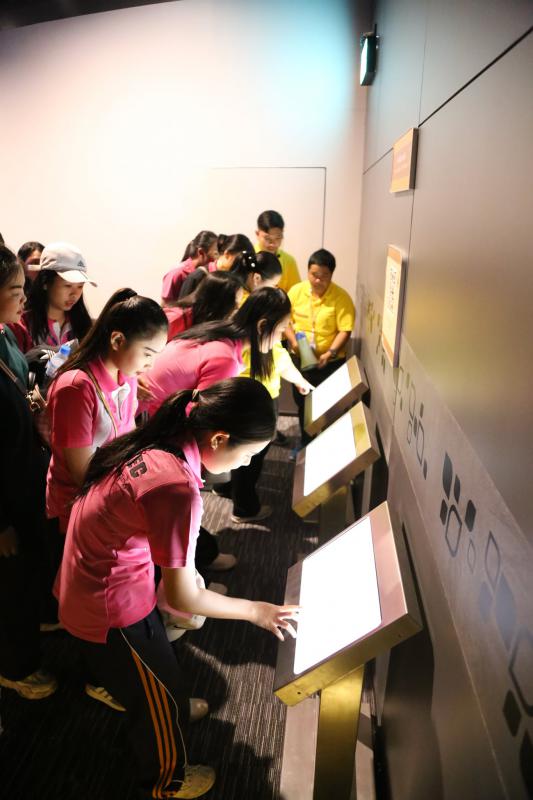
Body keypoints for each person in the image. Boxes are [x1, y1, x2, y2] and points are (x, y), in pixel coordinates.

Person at [55, 378, 299, 799]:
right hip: (110, 606)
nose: (246, 464)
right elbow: (185, 596)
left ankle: (157, 705)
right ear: (219, 439)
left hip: (98, 580)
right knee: (161, 698)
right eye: (248, 455)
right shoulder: (177, 488)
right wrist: (257, 611)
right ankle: (168, 781)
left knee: (159, 679)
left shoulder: (161, 439)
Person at [46, 289, 168, 709]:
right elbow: (81, 471)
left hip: (106, 494)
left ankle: (105, 664)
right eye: (148, 353)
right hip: (79, 503)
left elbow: (123, 436)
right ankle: (98, 674)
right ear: (117, 340)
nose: (150, 364)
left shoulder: (124, 376)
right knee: (89, 593)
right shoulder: (76, 386)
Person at [0, 245, 57, 700]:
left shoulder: (4, 333)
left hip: (23, 475)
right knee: (10, 581)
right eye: (16, 289)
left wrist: (32, 397)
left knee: (29, 569)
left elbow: (19, 379)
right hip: (5, 494)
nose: (25, 298)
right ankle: (15, 668)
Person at [138, 286, 291, 417]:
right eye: (281, 330)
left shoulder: (216, 331)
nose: (281, 338)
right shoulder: (226, 359)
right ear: (262, 326)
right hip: (150, 416)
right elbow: (197, 413)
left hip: (142, 404)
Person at [285, 248, 355, 446]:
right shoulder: (296, 292)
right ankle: (306, 444)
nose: (317, 280)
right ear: (308, 271)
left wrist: (330, 353)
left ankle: (325, 446)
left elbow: (345, 330)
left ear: (331, 274)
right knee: (303, 404)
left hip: (330, 362)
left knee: (327, 406)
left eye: (323, 276)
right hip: (300, 359)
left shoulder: (341, 297)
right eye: (314, 274)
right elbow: (285, 321)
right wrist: (293, 342)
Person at [9, 241, 94, 383]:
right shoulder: (21, 323)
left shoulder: (84, 325)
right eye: (67, 285)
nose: (74, 294)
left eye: (80, 286)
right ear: (45, 282)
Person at [164, 271, 242, 341]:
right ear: (218, 302)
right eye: (235, 303)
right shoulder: (175, 318)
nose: (237, 307)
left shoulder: (208, 321)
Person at [179, 233, 254, 298]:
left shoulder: (232, 280)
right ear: (227, 254)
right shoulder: (197, 277)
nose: (241, 266)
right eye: (239, 260)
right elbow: (182, 308)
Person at [161, 231, 219, 305]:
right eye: (216, 254)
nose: (218, 259)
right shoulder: (176, 273)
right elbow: (166, 306)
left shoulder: (209, 273)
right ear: (201, 252)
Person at [255, 210, 300, 293]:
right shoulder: (247, 257)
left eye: (278, 238)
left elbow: (295, 294)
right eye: (267, 238)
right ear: (257, 234)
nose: (272, 244)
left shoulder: (289, 261)